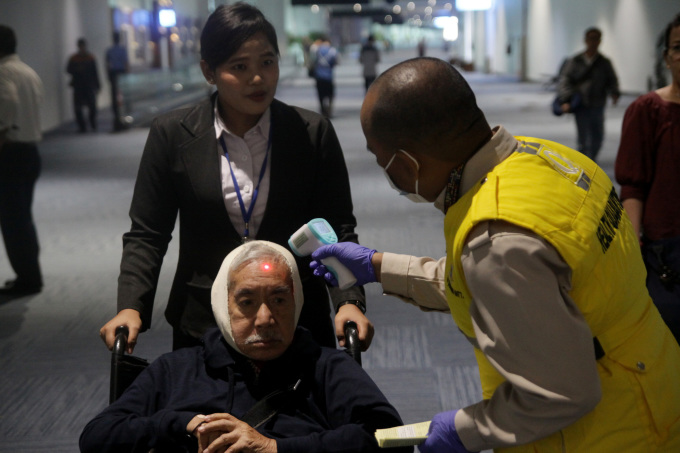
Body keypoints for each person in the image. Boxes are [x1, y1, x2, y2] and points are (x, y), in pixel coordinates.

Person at [310, 57, 680, 452]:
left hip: (606, 433)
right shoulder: (549, 158)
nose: (385, 169)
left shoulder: (497, 239)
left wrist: (465, 428)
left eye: (380, 157)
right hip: (653, 378)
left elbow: (561, 394)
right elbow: (501, 286)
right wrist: (378, 267)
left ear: (406, 162)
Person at [99, 3, 371, 356]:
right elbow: (147, 234)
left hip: (293, 318)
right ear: (208, 72)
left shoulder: (310, 133)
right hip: (203, 321)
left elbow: (336, 229)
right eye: (239, 67)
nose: (257, 78)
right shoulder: (173, 135)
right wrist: (130, 306)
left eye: (267, 62)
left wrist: (348, 300)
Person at [81, 241, 410, 453]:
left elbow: (389, 437)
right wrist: (185, 424)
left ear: (296, 303)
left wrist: (273, 449)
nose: (265, 318)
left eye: (279, 300)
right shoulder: (176, 369)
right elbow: (97, 437)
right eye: (247, 302)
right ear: (223, 305)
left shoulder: (325, 367)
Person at [615, 13, 680, 344]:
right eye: (678, 47)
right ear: (667, 57)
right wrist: (633, 249)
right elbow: (633, 187)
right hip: (667, 250)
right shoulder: (648, 110)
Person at [0, 25, 43, 296]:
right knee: (22, 217)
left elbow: (7, 106)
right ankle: (30, 274)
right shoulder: (28, 71)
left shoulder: (3, 73)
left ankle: (27, 279)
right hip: (31, 150)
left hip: (11, 152)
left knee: (13, 220)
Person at [557, 27, 620, 162]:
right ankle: (585, 162)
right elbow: (565, 80)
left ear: (600, 41)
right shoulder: (575, 61)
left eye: (596, 39)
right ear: (585, 40)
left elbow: (612, 79)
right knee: (583, 137)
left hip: (598, 104)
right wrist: (566, 99)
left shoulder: (604, 62)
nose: (593, 42)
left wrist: (615, 93)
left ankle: (592, 159)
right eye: (590, 39)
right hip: (581, 104)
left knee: (598, 136)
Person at [66, 37, 100, 133]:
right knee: (78, 108)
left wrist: (97, 85)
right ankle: (82, 126)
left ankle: (92, 123)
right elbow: (68, 70)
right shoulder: (74, 58)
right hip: (78, 86)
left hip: (89, 85)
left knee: (92, 107)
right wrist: (77, 70)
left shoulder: (90, 57)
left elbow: (95, 72)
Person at [105, 31, 129, 132]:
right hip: (120, 73)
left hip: (114, 73)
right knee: (122, 96)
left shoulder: (110, 50)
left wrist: (109, 76)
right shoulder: (122, 50)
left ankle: (118, 117)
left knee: (115, 97)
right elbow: (126, 63)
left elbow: (107, 64)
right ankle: (121, 117)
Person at [312, 36, 338, 117]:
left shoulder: (317, 50)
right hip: (328, 77)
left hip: (319, 76)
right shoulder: (332, 51)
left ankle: (322, 110)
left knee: (320, 95)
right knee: (330, 95)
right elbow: (335, 62)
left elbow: (313, 61)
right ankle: (329, 111)